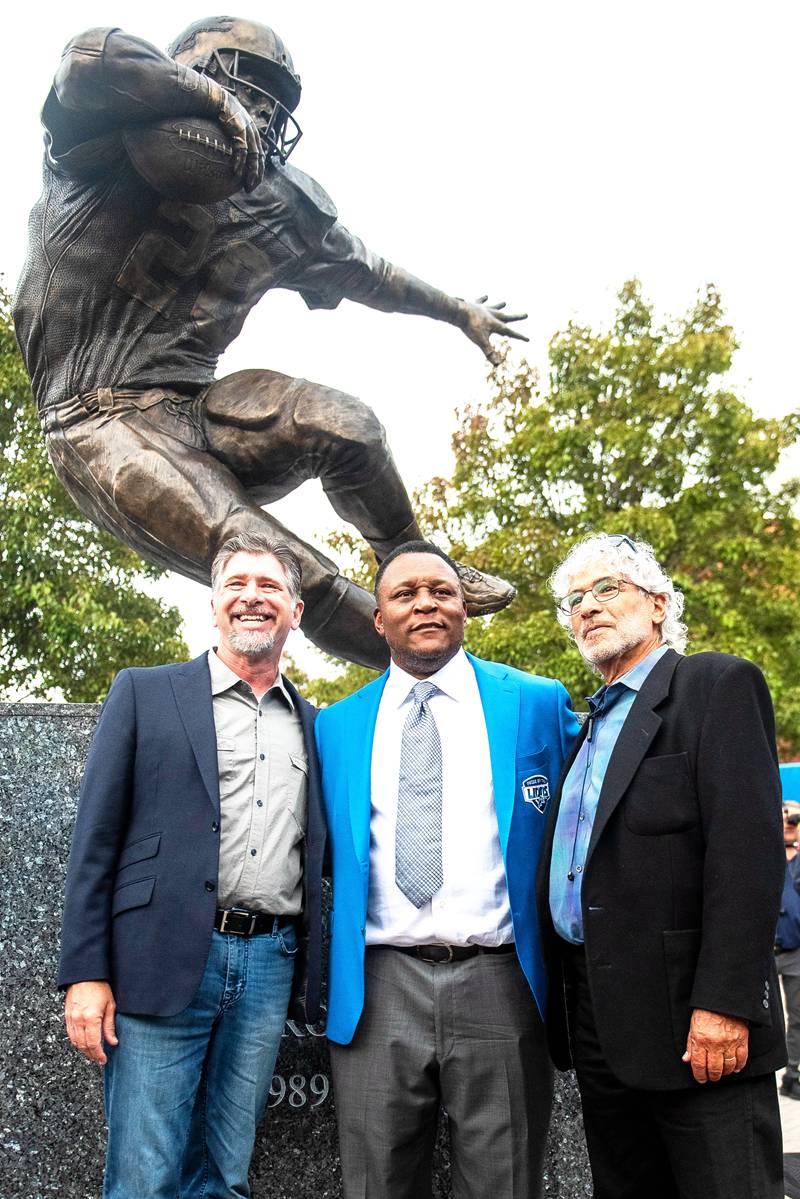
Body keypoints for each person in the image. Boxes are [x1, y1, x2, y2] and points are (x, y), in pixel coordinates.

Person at [13, 17, 524, 670]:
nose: (260, 105)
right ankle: (438, 684)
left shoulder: (280, 201)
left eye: (271, 96)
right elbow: (89, 57)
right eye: (243, 81)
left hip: (194, 402)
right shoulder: (98, 149)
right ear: (190, 74)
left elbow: (373, 274)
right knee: (275, 561)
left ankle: (413, 561)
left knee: (349, 426)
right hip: (94, 418)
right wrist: (206, 100)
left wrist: (459, 311)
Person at [58, 532, 326, 1198]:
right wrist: (86, 971)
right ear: (214, 606)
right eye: (237, 583)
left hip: (269, 966)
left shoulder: (315, 725)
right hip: (159, 957)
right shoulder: (145, 693)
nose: (252, 596)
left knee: (225, 1176)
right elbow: (95, 840)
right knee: (144, 1177)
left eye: (269, 586)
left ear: (295, 611)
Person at [315, 540, 579, 1199]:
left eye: (442, 589)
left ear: (465, 608)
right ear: (379, 619)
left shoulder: (538, 703)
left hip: (500, 980)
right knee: (375, 1185)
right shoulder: (335, 727)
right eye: (404, 594)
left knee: (503, 1184)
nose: (425, 601)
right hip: (379, 987)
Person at [538, 532, 786, 1199]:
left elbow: (749, 852)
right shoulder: (586, 727)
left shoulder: (714, 685)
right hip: (599, 1024)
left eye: (607, 588)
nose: (587, 607)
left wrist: (725, 1003)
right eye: (575, 599)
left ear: (658, 603)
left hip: (698, 1029)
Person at [776, 801, 800, 1099]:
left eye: (793, 816)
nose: (789, 821)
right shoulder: (763, 852)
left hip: (795, 951)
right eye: (783, 815)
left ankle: (793, 1073)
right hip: (764, 952)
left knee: (798, 1016)